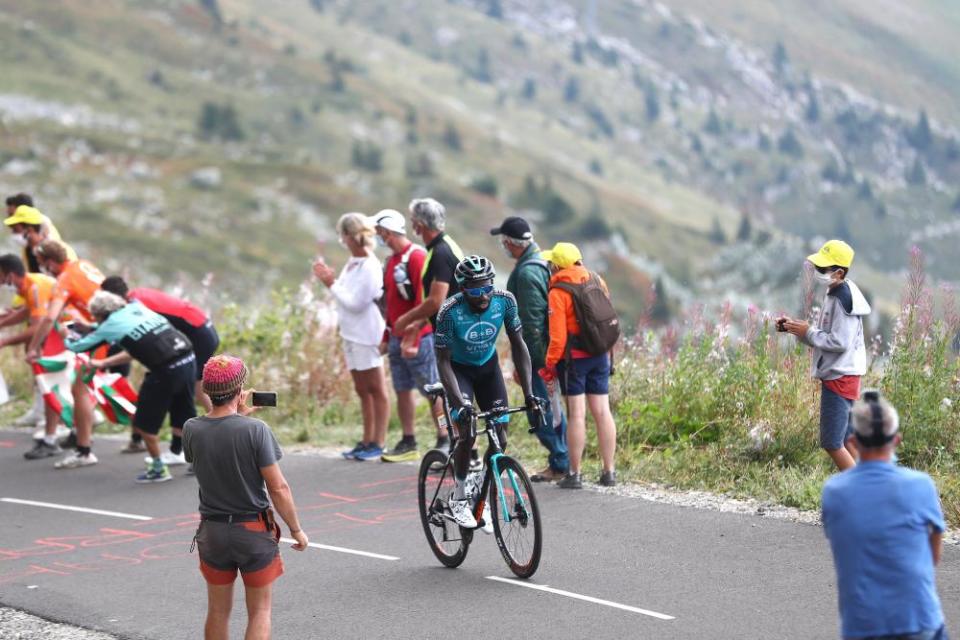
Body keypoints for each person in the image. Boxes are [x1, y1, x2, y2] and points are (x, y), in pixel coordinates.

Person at [184, 355, 308, 640]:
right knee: (260, 611)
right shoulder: (256, 430)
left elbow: (213, 440)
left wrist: (236, 417)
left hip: (212, 530)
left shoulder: (192, 428)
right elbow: (278, 488)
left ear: (206, 391)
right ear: (241, 391)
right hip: (252, 529)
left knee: (217, 611)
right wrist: (296, 529)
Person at [822, 391, 947, 640]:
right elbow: (934, 556)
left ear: (854, 443)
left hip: (863, 625)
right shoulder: (922, 486)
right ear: (896, 441)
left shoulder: (834, 492)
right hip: (918, 620)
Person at [434, 255, 540, 529]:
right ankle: (458, 497)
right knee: (467, 433)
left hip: (488, 368)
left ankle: (480, 493)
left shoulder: (505, 301)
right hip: (459, 372)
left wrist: (529, 394)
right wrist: (460, 403)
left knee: (500, 439)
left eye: (487, 287)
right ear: (462, 288)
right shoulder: (448, 312)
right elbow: (442, 362)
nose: (483, 296)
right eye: (475, 290)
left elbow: (519, 346)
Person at [65, 291, 196, 482]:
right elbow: (135, 344)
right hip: (187, 358)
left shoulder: (109, 326)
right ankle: (199, 460)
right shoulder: (135, 307)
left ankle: (158, 469)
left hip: (166, 370)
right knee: (184, 413)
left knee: (143, 424)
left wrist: (65, 336)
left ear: (101, 315)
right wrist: (100, 354)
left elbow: (76, 347)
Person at [101, 276, 221, 460]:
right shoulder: (136, 295)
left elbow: (142, 342)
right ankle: (145, 440)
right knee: (181, 385)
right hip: (202, 328)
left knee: (188, 388)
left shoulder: (136, 306)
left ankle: (221, 431)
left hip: (199, 334)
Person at [779, 239, 871, 471]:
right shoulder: (837, 292)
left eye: (823, 269)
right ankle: (875, 483)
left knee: (832, 442)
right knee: (848, 438)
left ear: (839, 272)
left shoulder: (842, 300)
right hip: (845, 374)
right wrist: (794, 328)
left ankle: (862, 491)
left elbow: (839, 341)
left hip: (838, 377)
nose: (819, 272)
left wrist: (808, 332)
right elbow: (825, 334)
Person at [491, 216, 569, 482]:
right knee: (553, 407)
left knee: (539, 408)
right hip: (548, 352)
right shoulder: (541, 263)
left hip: (538, 356)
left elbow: (531, 322)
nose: (503, 246)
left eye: (504, 241)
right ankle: (562, 460)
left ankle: (560, 461)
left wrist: (532, 362)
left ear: (513, 244)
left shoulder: (526, 273)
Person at [372, 209, 448, 462]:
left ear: (389, 231)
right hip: (397, 336)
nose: (378, 237)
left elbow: (422, 299)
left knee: (433, 390)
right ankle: (408, 440)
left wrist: (412, 337)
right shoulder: (392, 261)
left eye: (380, 232)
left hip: (419, 337)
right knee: (402, 388)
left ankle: (445, 437)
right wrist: (387, 335)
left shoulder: (416, 257)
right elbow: (389, 303)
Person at [313, 213, 390, 461]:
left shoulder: (369, 265)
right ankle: (367, 439)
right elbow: (346, 294)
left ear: (349, 236)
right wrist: (334, 281)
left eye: (343, 235)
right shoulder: (353, 262)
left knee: (375, 388)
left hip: (367, 334)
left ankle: (379, 441)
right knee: (361, 389)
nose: (342, 240)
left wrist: (330, 283)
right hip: (351, 333)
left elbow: (356, 303)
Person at [540, 242, 618, 489]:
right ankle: (609, 472)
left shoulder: (558, 292)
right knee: (603, 412)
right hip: (600, 354)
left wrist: (550, 364)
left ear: (556, 265)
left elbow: (558, 338)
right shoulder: (597, 280)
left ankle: (574, 474)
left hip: (575, 360)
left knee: (577, 414)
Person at [25, 240, 104, 466]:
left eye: (41, 263)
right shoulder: (83, 264)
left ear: (50, 262)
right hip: (109, 327)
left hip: (104, 334)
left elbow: (49, 317)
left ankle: (84, 449)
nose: (42, 268)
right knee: (83, 387)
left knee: (79, 389)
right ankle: (84, 436)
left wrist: (33, 347)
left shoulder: (64, 279)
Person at [3, 198, 76, 428]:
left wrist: (5, 340)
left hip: (63, 314)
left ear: (29, 229)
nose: (16, 234)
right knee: (36, 352)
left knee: (43, 356)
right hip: (49, 306)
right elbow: (28, 301)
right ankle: (44, 413)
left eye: (17, 230)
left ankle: (59, 423)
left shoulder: (47, 247)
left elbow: (40, 315)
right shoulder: (30, 250)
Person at [0, 254, 69, 459]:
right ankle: (62, 427)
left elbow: (38, 326)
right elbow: (27, 313)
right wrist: (3, 323)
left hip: (65, 331)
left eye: (1, 276)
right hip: (62, 330)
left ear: (10, 274)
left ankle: (55, 432)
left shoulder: (36, 287)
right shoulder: (30, 284)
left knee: (52, 381)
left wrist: (4, 341)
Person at [393, 197, 464, 335]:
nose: (411, 223)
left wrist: (405, 319)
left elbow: (436, 301)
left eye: (412, 219)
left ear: (420, 224)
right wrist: (418, 324)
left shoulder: (440, 252)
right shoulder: (445, 245)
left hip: (452, 335)